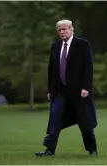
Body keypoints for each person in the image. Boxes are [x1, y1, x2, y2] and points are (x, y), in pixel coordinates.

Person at [35, 19, 98, 157]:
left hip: (79, 91)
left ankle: (92, 149)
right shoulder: (55, 46)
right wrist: (51, 90)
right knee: (54, 119)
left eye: (64, 29)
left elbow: (89, 68)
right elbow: (52, 70)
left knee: (84, 120)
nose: (62, 32)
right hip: (60, 91)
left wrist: (86, 87)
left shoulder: (82, 45)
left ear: (71, 29)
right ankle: (49, 149)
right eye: (59, 30)